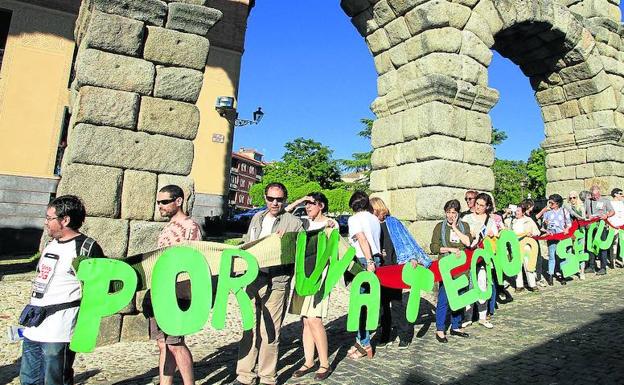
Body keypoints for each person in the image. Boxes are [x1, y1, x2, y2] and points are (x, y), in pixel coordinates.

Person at [19, 195, 104, 385]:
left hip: (60, 328)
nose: (46, 222)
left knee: (54, 380)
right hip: (34, 324)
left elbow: (99, 286)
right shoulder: (50, 244)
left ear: (65, 220)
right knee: (29, 379)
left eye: (50, 218)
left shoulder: (86, 248)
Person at [233, 182, 303, 385]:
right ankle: (245, 374)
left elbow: (299, 252)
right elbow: (249, 242)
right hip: (252, 277)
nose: (275, 203)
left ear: (285, 200)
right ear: (265, 198)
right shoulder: (257, 217)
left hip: (277, 281)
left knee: (270, 331)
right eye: (271, 198)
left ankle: (267, 377)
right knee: (249, 327)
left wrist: (284, 243)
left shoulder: (293, 223)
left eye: (279, 199)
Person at [151, 185, 202, 385]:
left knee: (176, 343)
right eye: (159, 202)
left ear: (178, 201)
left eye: (164, 202)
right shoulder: (167, 227)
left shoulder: (191, 227)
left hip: (179, 292)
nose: (160, 206)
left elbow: (195, 262)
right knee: (163, 343)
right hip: (162, 289)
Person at [286, 192, 337, 381]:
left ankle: (324, 363)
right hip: (302, 275)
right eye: (306, 204)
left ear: (321, 205)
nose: (308, 207)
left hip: (319, 276)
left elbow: (333, 250)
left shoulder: (330, 224)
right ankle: (308, 361)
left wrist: (330, 227)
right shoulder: (304, 223)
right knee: (305, 320)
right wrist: (299, 200)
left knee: (315, 319)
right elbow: (285, 213)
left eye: (311, 204)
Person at [370, 197, 432, 349]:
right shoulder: (371, 225)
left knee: (396, 304)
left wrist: (412, 257)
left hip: (395, 269)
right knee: (382, 305)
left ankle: (405, 335)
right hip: (379, 270)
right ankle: (385, 336)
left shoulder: (393, 223)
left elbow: (405, 241)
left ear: (378, 208)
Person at [430, 199, 472, 343]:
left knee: (459, 297)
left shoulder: (464, 226)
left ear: (458, 213)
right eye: (448, 212)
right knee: (444, 298)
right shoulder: (439, 227)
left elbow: (468, 243)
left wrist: (455, 228)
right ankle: (440, 329)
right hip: (446, 268)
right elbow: (434, 247)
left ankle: (456, 326)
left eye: (453, 213)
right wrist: (449, 249)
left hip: (461, 268)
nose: (450, 216)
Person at [346, 191, 381, 359]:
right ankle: (360, 340)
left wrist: (369, 262)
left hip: (364, 260)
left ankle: (365, 344)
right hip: (376, 259)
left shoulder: (354, 219)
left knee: (361, 305)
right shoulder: (374, 219)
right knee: (369, 303)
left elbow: (362, 239)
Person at [462, 193, 499, 329]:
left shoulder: (490, 220)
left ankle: (483, 317)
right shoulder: (466, 217)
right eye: (477, 204)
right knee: (469, 286)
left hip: (482, 257)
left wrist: (492, 234)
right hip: (468, 255)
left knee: (482, 284)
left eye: (481, 205)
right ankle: (468, 317)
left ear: (487, 206)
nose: (478, 207)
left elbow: (495, 235)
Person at [505, 202, 540, 292]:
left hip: (526, 246)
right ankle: (519, 285)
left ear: (523, 212)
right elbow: (507, 230)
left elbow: (537, 232)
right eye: (516, 211)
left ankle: (532, 284)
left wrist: (531, 234)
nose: (516, 212)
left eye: (518, 211)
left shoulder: (528, 220)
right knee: (517, 266)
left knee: (528, 264)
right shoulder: (512, 221)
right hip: (515, 246)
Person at [539, 194, 572, 285]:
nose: (550, 204)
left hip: (562, 236)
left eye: (551, 203)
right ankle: (550, 275)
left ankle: (563, 275)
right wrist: (545, 227)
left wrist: (566, 229)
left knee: (561, 256)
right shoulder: (547, 213)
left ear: (557, 203)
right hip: (552, 236)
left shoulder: (564, 211)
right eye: (549, 202)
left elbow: (569, 224)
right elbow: (542, 227)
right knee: (552, 256)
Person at [584, 185, 615, 274]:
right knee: (590, 246)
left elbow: (612, 211)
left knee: (602, 247)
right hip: (591, 227)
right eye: (593, 195)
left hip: (602, 227)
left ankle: (603, 268)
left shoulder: (605, 201)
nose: (595, 197)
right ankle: (591, 266)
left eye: (596, 195)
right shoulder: (587, 201)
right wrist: (587, 216)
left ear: (599, 193)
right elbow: (584, 213)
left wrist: (606, 215)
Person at [610, 188, 624, 268]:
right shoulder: (610, 203)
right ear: (615, 194)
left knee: (623, 244)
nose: (621, 195)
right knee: (614, 244)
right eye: (620, 193)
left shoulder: (621, 203)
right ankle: (613, 262)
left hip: (622, 226)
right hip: (613, 226)